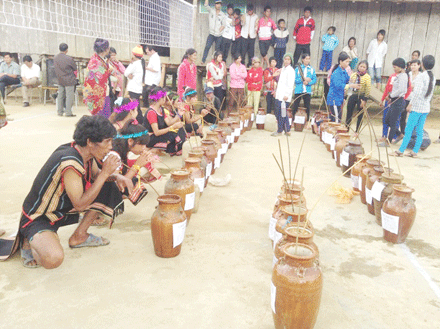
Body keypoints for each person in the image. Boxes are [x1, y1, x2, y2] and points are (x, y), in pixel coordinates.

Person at [18, 115, 133, 269]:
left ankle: (79, 236)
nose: (110, 147)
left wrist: (118, 176)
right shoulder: (70, 161)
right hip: (39, 216)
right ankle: (28, 238)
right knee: (53, 259)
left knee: (109, 186)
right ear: (90, 142)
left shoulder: (86, 153)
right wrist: (106, 173)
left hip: (59, 207)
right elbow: (79, 205)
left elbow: (97, 175)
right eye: (107, 142)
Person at [395, 55, 435, 157]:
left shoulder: (422, 76)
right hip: (425, 107)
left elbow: (416, 93)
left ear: (422, 64)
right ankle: (415, 151)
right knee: (419, 130)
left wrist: (411, 104)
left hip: (417, 107)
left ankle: (401, 150)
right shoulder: (432, 76)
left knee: (409, 129)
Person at [144, 87, 185, 155]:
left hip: (156, 135)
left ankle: (158, 149)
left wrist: (179, 115)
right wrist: (172, 127)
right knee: (171, 135)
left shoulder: (161, 109)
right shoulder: (151, 112)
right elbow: (156, 132)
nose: (165, 99)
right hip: (150, 137)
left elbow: (169, 123)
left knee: (173, 134)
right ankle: (152, 150)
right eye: (164, 98)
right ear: (159, 98)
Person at [327, 52, 360, 122]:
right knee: (336, 119)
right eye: (346, 62)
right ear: (340, 61)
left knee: (336, 117)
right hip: (334, 98)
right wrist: (351, 85)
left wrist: (352, 79)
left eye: (348, 62)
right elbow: (338, 85)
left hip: (339, 98)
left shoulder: (344, 71)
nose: (348, 63)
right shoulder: (336, 73)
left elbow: (347, 79)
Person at [382, 58, 408, 146]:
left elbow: (401, 90)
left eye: (395, 67)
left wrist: (391, 95)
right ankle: (399, 134)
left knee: (392, 122)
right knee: (387, 119)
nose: (394, 69)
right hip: (394, 100)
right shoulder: (399, 75)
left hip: (398, 101)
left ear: (401, 67)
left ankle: (388, 141)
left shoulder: (403, 77)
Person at [83, 38, 112, 116]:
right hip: (100, 94)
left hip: (99, 92)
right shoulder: (98, 62)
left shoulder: (96, 59)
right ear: (107, 49)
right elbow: (101, 77)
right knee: (102, 118)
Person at [272, 53, 295, 136]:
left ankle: (279, 131)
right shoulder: (283, 69)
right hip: (280, 95)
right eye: (285, 59)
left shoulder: (290, 70)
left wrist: (287, 95)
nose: (287, 61)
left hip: (285, 96)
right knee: (282, 112)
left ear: (291, 61)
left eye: (288, 59)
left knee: (281, 113)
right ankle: (287, 130)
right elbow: (280, 83)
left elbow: (290, 84)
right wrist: (276, 92)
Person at [345, 60, 371, 133]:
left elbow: (368, 89)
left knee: (360, 114)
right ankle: (347, 128)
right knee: (349, 113)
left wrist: (365, 99)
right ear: (358, 66)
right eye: (361, 66)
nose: (362, 68)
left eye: (364, 67)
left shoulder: (367, 77)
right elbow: (349, 85)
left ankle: (357, 131)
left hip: (361, 96)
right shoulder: (354, 74)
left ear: (366, 69)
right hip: (353, 95)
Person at [54, 43, 77, 117]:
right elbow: (75, 69)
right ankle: (68, 112)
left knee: (60, 95)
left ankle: (60, 112)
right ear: (67, 50)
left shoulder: (55, 58)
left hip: (60, 79)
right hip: (69, 80)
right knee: (69, 96)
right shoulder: (69, 59)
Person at [124, 46, 145, 124]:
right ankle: (140, 122)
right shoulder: (141, 64)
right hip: (138, 89)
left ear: (133, 55)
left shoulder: (134, 64)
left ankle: (139, 122)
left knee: (135, 108)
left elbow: (126, 72)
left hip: (133, 89)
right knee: (136, 107)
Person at [293, 53, 316, 122]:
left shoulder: (311, 69)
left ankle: (306, 121)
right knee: (295, 105)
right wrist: (302, 79)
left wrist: (308, 83)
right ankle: (293, 120)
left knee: (307, 106)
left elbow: (314, 79)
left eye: (309, 59)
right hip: (298, 89)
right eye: (306, 59)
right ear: (303, 60)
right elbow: (294, 79)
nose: (307, 60)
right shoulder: (298, 69)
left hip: (307, 90)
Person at [202, 0, 226, 64]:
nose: (218, 5)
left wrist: (220, 29)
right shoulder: (211, 11)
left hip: (219, 35)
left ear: (221, 5)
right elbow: (206, 5)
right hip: (211, 34)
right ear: (215, 5)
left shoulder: (222, 14)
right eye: (217, 4)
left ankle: (216, 62)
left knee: (217, 50)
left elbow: (224, 24)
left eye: (219, 4)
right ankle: (203, 60)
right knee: (207, 46)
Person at [401, 59, 421, 134]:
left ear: (419, 65)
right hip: (406, 97)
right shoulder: (408, 74)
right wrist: (410, 87)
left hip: (415, 98)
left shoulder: (421, 76)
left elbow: (420, 87)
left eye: (415, 65)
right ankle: (403, 132)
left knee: (412, 117)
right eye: (412, 65)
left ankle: (412, 133)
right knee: (402, 116)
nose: (413, 67)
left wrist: (412, 87)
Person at [240, 3, 258, 67]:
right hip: (244, 35)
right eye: (249, 10)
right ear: (247, 10)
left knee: (251, 51)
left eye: (251, 10)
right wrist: (242, 19)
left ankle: (250, 64)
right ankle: (242, 63)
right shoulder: (244, 15)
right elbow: (242, 24)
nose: (250, 11)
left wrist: (256, 32)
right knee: (243, 51)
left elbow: (256, 25)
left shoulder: (256, 16)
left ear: (253, 10)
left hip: (252, 35)